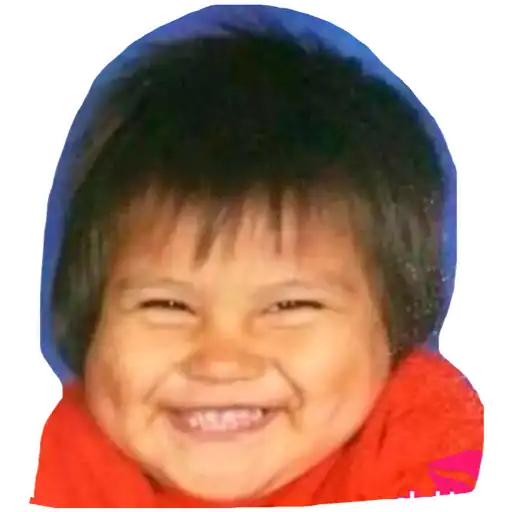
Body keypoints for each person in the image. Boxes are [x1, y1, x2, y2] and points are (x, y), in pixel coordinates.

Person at [32, 26, 482, 508]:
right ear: (88, 326)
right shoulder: (59, 456)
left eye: (290, 306)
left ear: (396, 332)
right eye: (168, 305)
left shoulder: (433, 439)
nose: (221, 362)